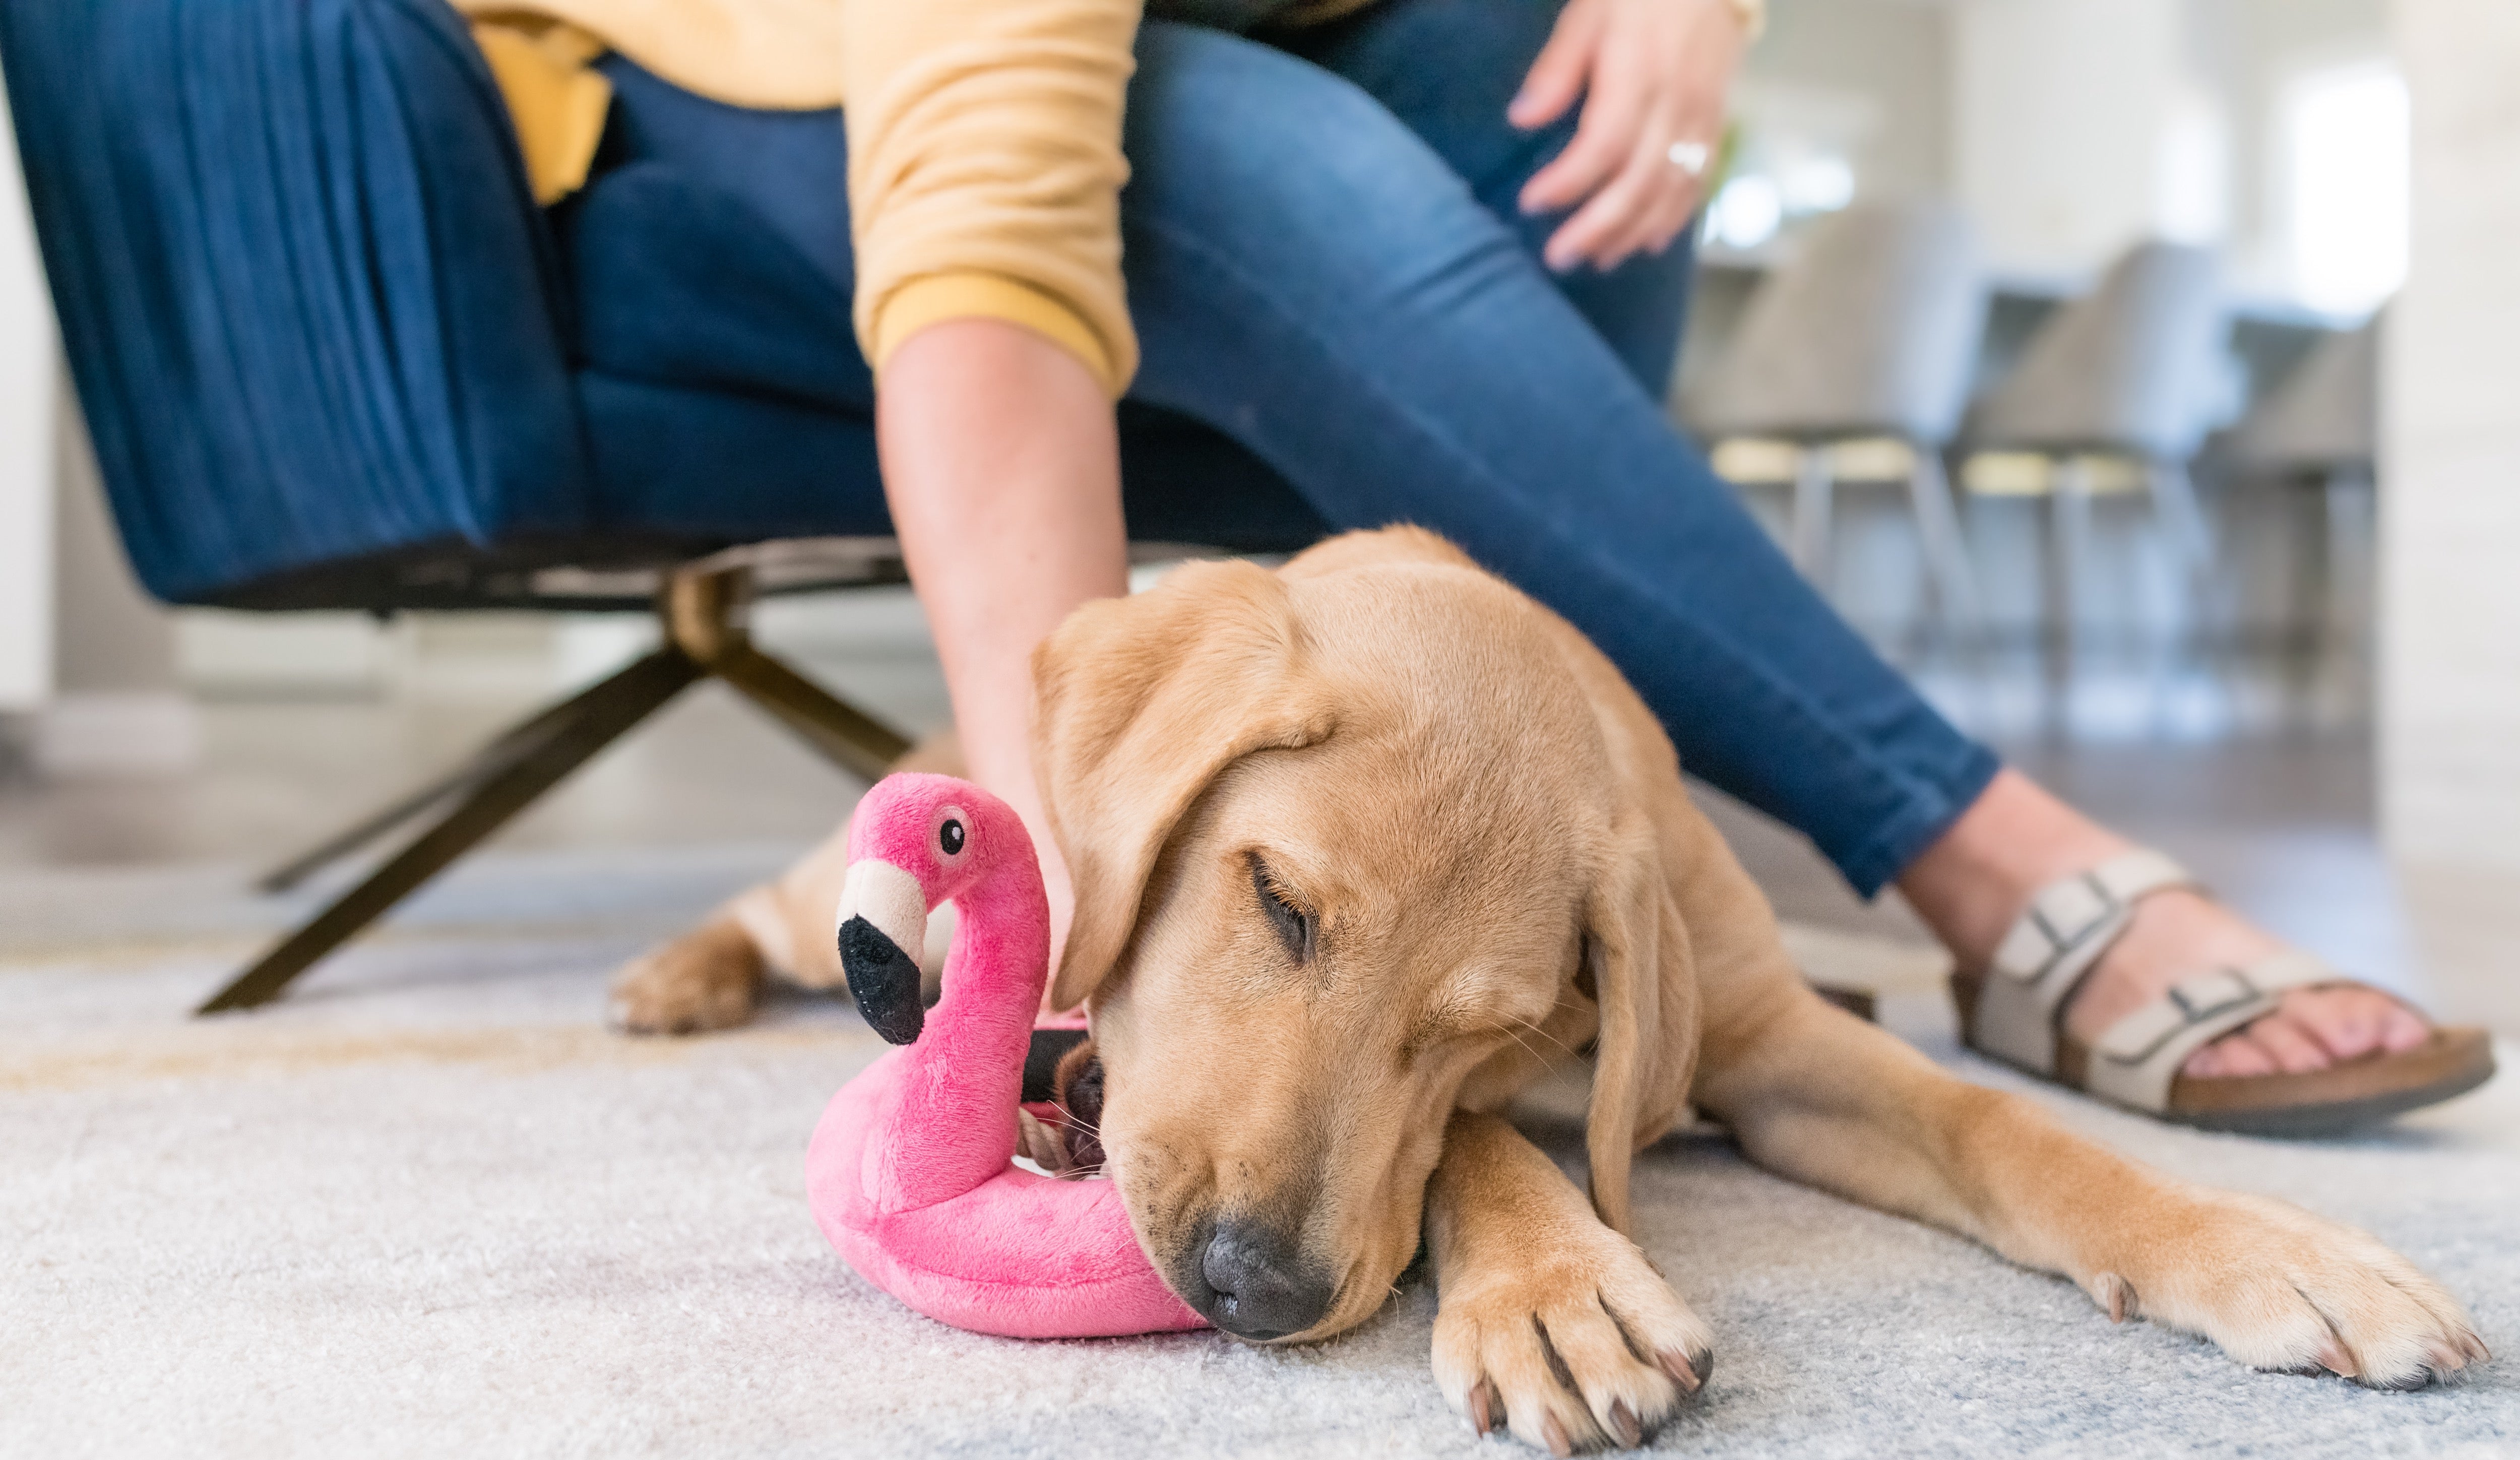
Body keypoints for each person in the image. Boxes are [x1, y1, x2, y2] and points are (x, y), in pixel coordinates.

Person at [467, 0, 2487, 1127]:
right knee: (1262, 163)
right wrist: (1053, 834)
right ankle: (1986, 855)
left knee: (1531, 59)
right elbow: (986, 225)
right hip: (728, 68)